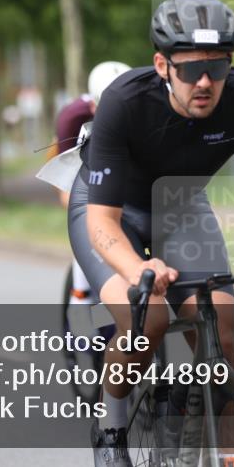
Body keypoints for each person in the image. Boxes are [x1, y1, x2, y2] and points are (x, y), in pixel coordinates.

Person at [68, 0, 234, 467]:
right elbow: (102, 223)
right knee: (148, 320)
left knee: (221, 329)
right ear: (162, 65)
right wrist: (138, 265)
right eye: (190, 70)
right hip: (112, 208)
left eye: (218, 67)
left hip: (181, 205)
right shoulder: (125, 102)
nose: (205, 82)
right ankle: (110, 427)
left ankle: (231, 458)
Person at [55, 61, 132, 307]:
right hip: (80, 175)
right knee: (88, 224)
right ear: (93, 105)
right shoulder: (72, 117)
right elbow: (66, 183)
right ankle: (80, 294)